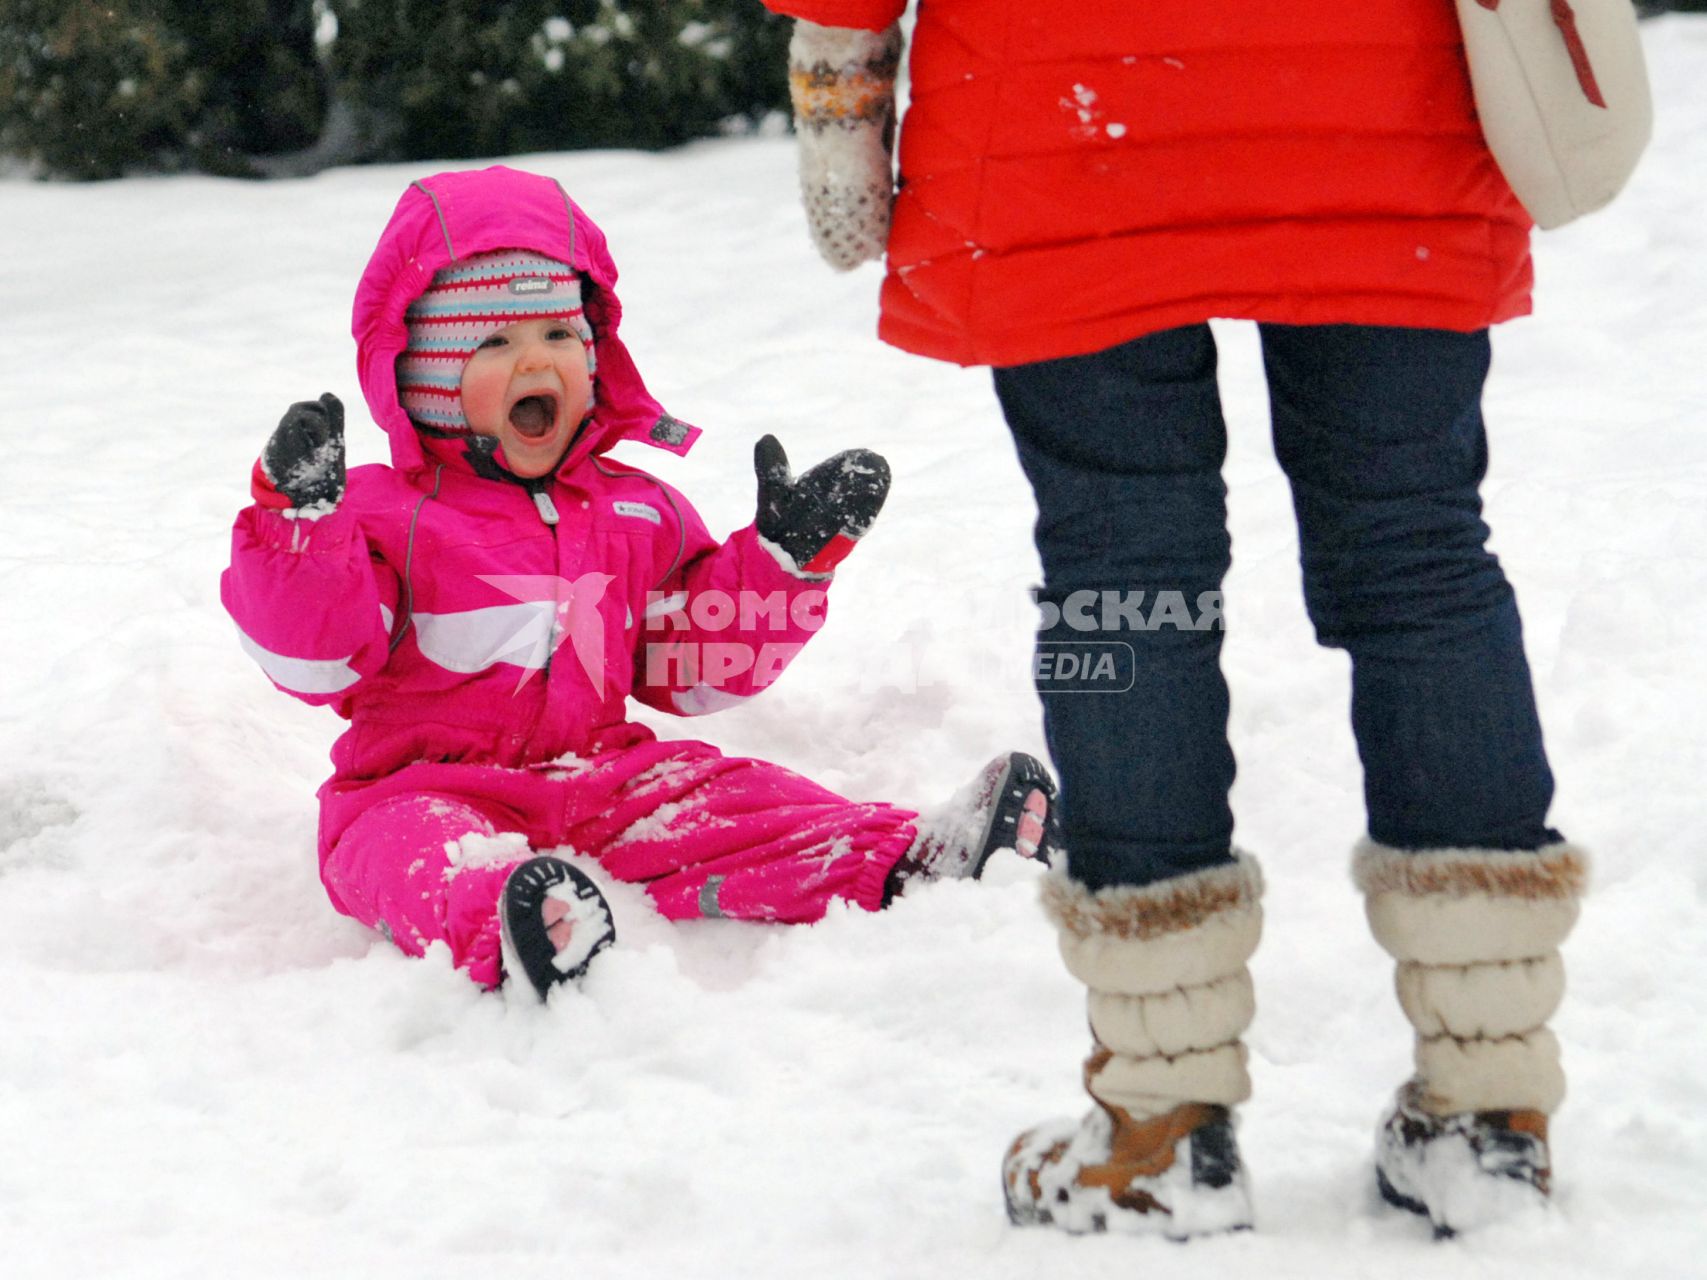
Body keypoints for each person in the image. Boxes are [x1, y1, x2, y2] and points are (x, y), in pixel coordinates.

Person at [763, 0, 1589, 1238]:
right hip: (1380, 97)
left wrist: (840, 67)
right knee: (1419, 562)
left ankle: (1160, 1121)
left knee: (1121, 585)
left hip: (1070, 106)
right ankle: (1487, 1108)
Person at [222, 165, 1059, 1003]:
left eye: (558, 335)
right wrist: (299, 527)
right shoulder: (378, 513)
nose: (535, 362)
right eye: (493, 343)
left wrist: (780, 564)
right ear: (427, 379)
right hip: (420, 786)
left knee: (730, 797)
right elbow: (317, 661)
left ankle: (907, 854)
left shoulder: (636, 509)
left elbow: (689, 668)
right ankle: (511, 922)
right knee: (410, 850)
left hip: (603, 779)